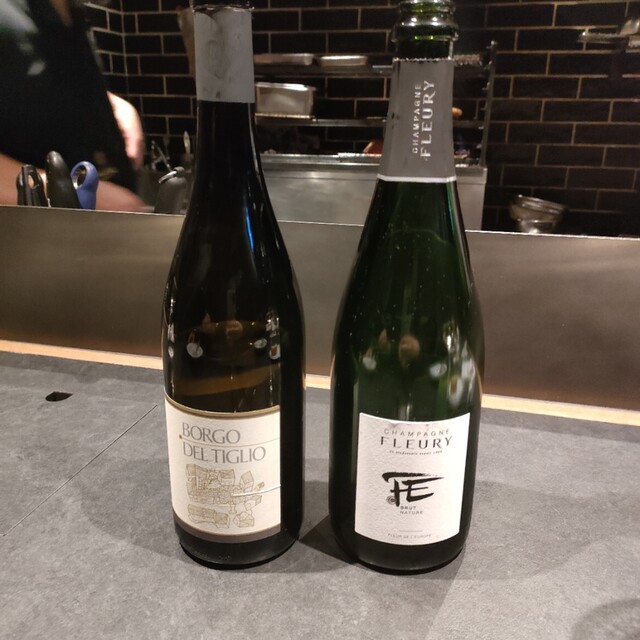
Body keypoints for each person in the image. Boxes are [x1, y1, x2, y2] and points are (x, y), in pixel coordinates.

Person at [0, 0, 146, 211]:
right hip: (34, 231)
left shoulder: (68, 14)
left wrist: (111, 104)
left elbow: (30, 82)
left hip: (91, 228)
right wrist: (63, 192)